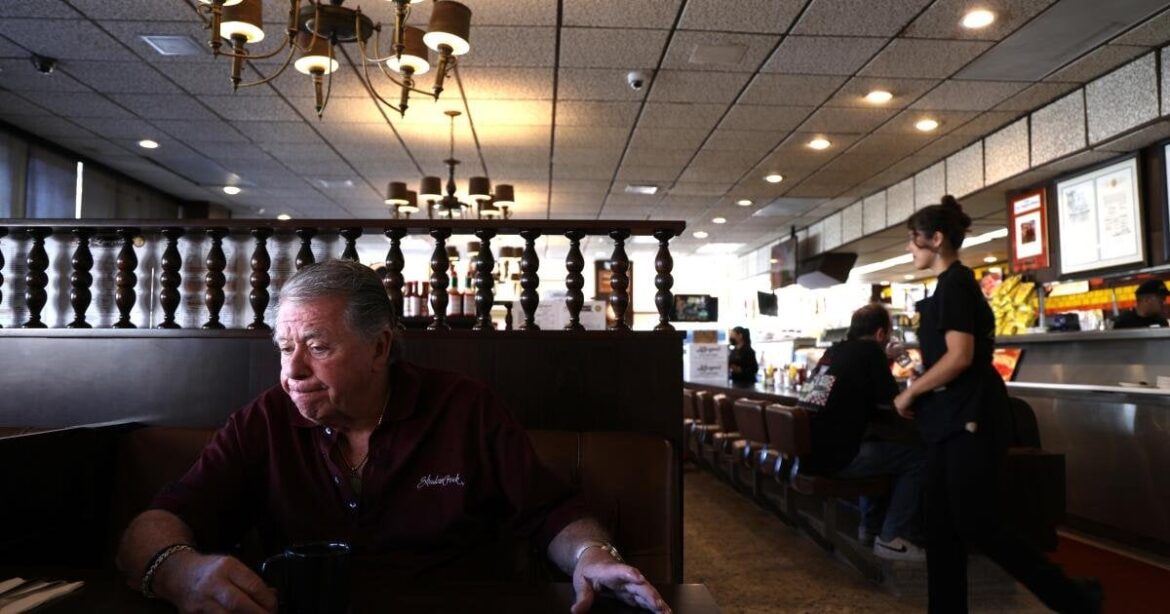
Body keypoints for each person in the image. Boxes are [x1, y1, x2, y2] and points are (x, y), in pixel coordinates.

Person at [116, 259, 668, 614]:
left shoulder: (463, 409)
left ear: (380, 348)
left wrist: (594, 554)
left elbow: (551, 513)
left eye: (319, 346)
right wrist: (180, 573)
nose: (294, 372)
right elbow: (154, 524)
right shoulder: (264, 420)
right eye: (285, 349)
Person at [893, 196, 1101, 614]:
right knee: (942, 524)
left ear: (936, 239)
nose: (910, 249)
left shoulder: (955, 284)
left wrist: (912, 391)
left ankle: (1073, 597)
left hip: (969, 418)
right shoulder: (950, 286)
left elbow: (960, 355)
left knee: (974, 522)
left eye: (914, 240)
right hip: (952, 419)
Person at [798, 303, 926, 561]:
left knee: (877, 446)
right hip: (838, 458)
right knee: (919, 457)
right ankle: (891, 537)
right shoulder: (870, 353)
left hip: (813, 453)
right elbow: (894, 402)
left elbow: (832, 395)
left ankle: (870, 530)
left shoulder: (832, 352)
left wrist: (887, 359)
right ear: (881, 334)